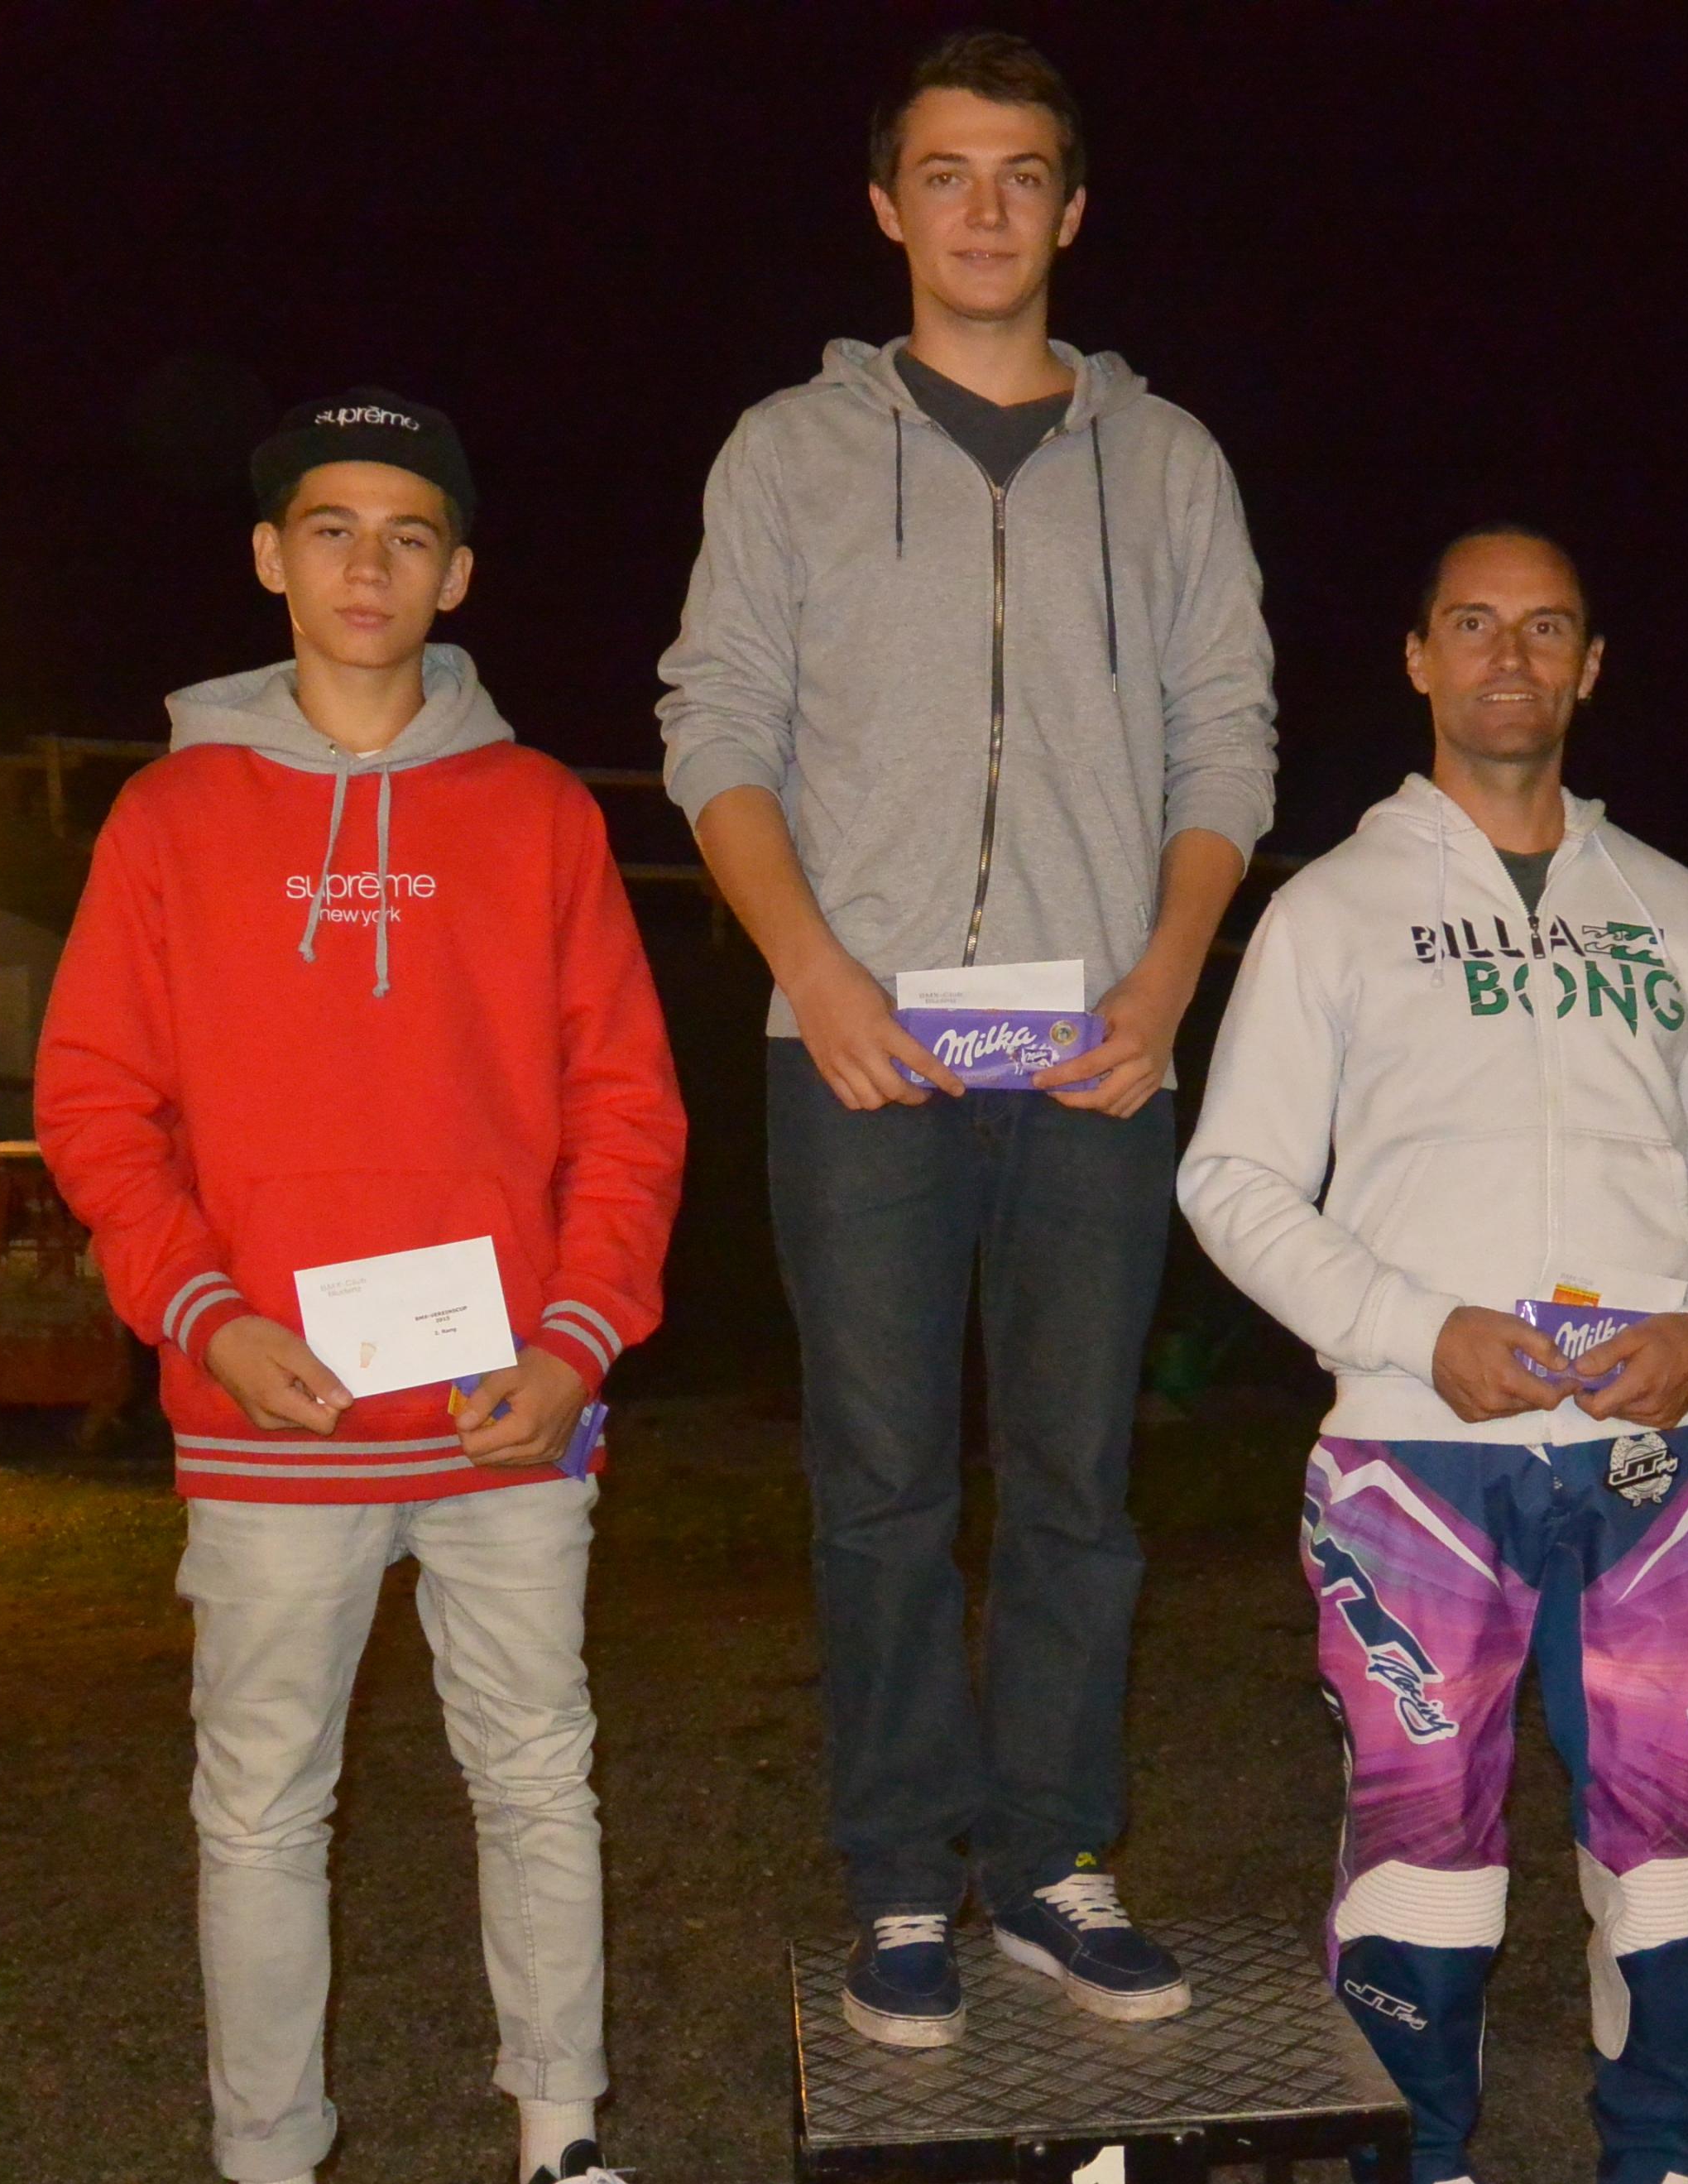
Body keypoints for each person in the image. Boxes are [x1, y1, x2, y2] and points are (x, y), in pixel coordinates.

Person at [655, 29, 1277, 2047]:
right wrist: (818, 973)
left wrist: (1165, 982)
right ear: (885, 207)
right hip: (859, 1055)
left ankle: (1054, 1860)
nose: (984, 208)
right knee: (882, 1486)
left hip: (1095, 1053)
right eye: (945, 173)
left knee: (1079, 1480)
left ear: (1072, 211)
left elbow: (1225, 741)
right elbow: (713, 730)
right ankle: (901, 1881)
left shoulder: (1167, 463)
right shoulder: (786, 454)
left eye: (1021, 175)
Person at [36, 389, 688, 2184]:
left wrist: (573, 1342)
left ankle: (560, 2151)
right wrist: (208, 1317)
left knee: (537, 1778)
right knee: (260, 1807)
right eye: (330, 528)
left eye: (410, 535)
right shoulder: (170, 817)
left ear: (456, 575)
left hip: (503, 1413)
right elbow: (95, 1101)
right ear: (270, 557)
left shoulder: (539, 813)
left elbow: (626, 1106)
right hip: (272, 1416)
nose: (368, 566)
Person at [1176, 529, 1688, 2184]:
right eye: (1474, 625)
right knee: (1422, 1851)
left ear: (1589, 667)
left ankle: (1672, 2177)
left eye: (1545, 629)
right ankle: (1418, 2174)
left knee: (1680, 1842)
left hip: (1649, 1465)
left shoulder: (1670, 907)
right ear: (1417, 658)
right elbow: (1230, 1179)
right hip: (1414, 1462)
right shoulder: (1329, 909)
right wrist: (1410, 1325)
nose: (1509, 658)